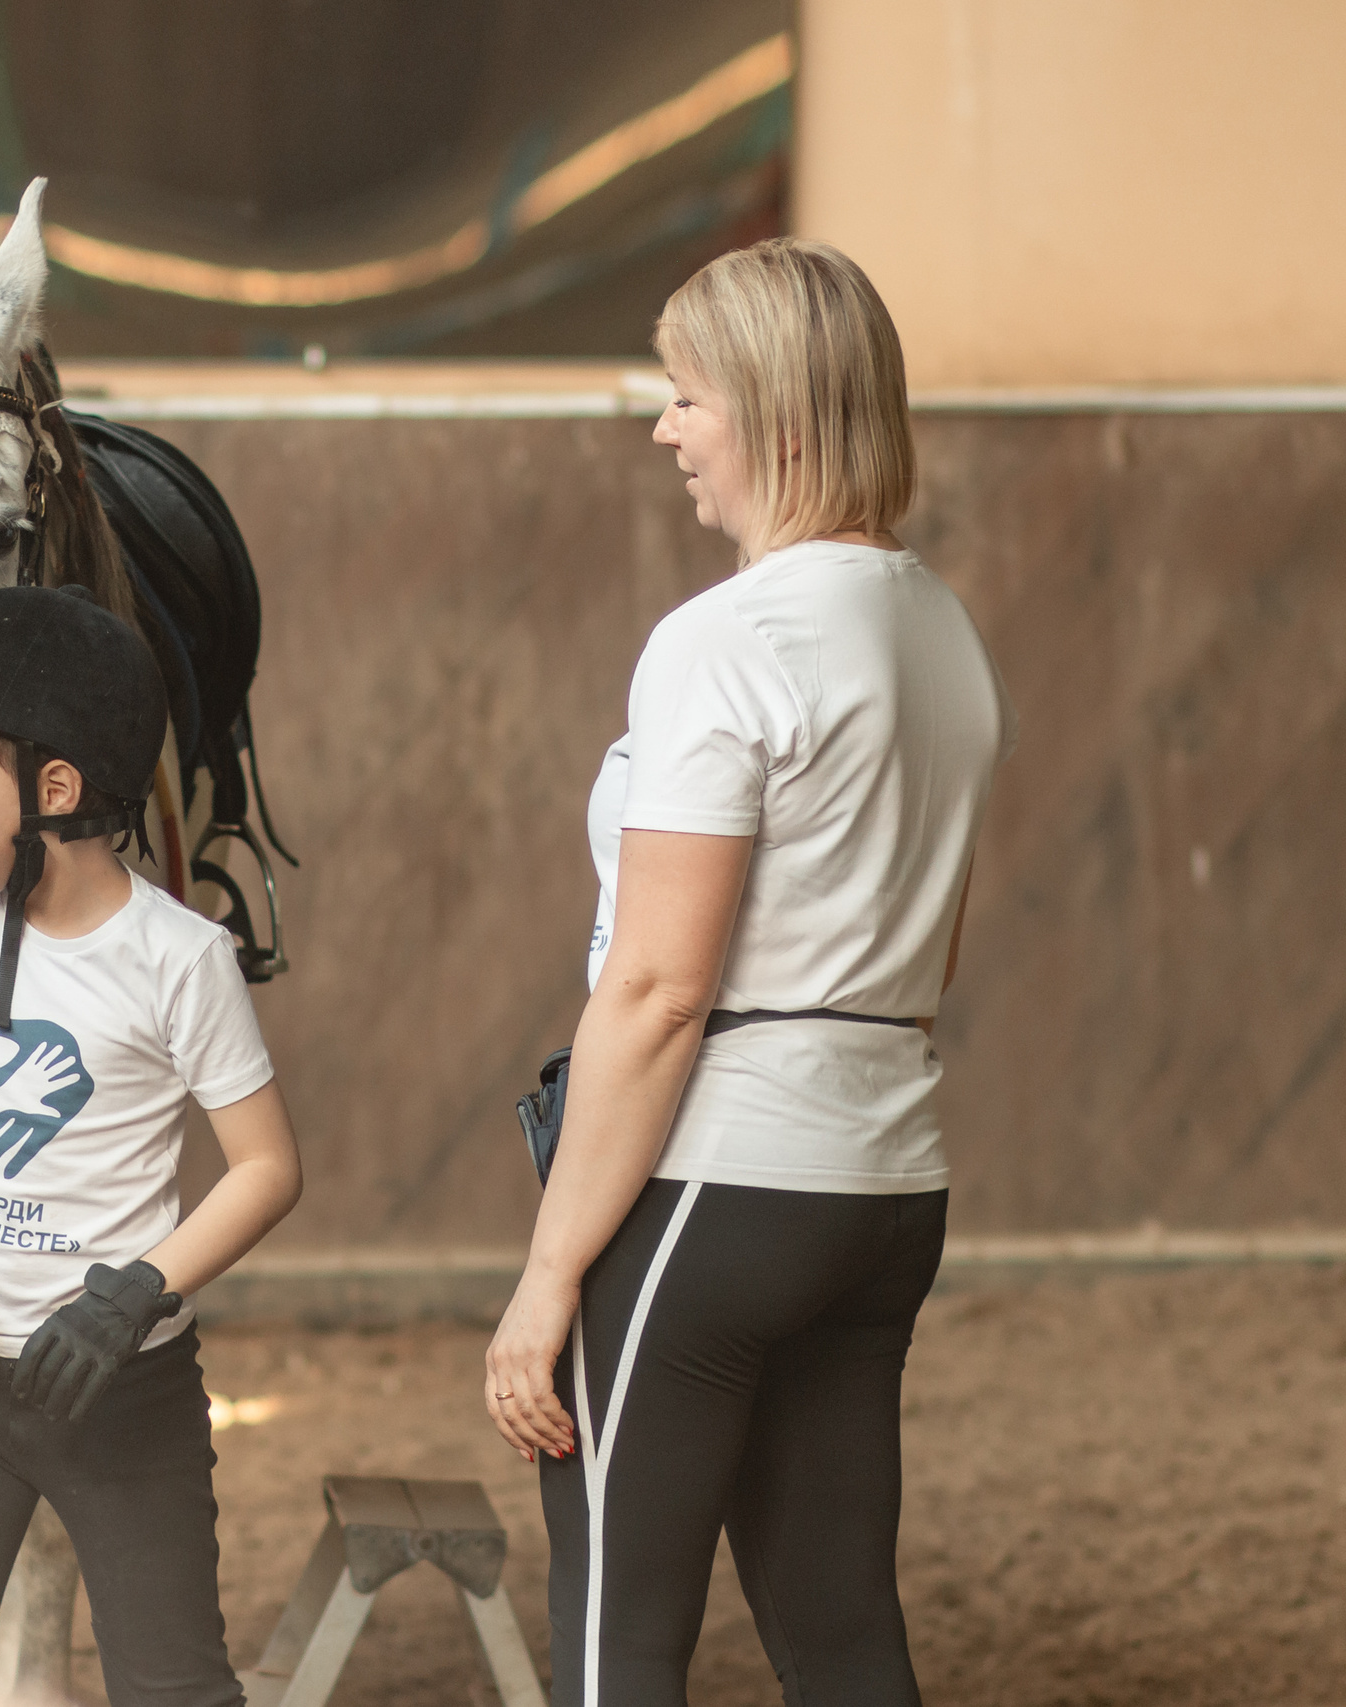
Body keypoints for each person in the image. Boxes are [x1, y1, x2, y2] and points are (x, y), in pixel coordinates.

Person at [483, 238, 1014, 1706]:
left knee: (618, 1643)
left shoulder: (722, 640)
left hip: (714, 1186)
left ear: (776, 418)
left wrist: (547, 1274)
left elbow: (658, 990)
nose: (666, 429)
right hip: (884, 1186)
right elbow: (932, 942)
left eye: (687, 396)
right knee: (841, 1636)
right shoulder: (943, 629)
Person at [0, 584, 301, 1707]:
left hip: (121, 1387)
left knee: (171, 1686)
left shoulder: (180, 958)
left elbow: (268, 1166)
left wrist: (136, 1293)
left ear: (57, 789)